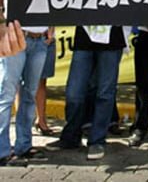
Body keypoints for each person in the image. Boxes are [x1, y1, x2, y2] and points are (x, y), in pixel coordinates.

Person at [45, 26, 125, 160]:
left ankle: (97, 140)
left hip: (113, 41)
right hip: (84, 40)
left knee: (105, 93)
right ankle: (71, 137)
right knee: (74, 93)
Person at [0, 25, 51, 166]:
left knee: (30, 94)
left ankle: (24, 145)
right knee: (6, 95)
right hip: (14, 36)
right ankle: (2, 151)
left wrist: (51, 27)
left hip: (40, 39)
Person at [34, 28, 56, 136]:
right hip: (21, 35)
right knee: (20, 84)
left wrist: (52, 27)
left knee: (41, 80)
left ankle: (41, 120)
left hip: (46, 36)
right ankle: (24, 128)